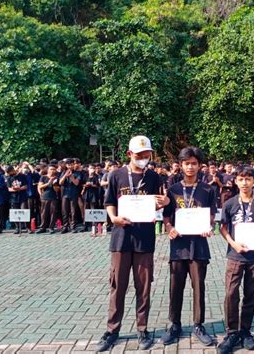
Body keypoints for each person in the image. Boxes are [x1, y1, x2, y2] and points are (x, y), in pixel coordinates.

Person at [97, 135, 169, 352]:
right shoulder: (116, 174)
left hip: (145, 239)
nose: (143, 159)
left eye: (146, 155)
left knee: (143, 287)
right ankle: (112, 330)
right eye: (139, 155)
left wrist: (163, 203)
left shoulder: (154, 177)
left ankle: (142, 328)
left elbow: (156, 204)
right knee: (118, 286)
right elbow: (109, 202)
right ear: (129, 154)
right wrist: (113, 218)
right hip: (121, 239)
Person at [160, 147, 216, 347]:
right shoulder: (173, 190)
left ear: (199, 165)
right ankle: (175, 325)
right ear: (181, 165)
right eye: (186, 163)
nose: (190, 167)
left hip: (199, 246)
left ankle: (198, 325)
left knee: (198, 286)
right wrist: (169, 228)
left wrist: (209, 226)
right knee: (176, 287)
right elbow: (166, 216)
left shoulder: (209, 189)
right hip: (178, 246)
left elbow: (211, 216)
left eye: (194, 163)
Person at [218, 165, 254, 354]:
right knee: (231, 293)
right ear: (236, 181)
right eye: (241, 179)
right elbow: (223, 228)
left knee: (251, 294)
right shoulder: (229, 204)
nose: (245, 183)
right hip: (235, 256)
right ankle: (232, 332)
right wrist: (233, 244)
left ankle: (245, 330)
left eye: (248, 179)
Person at [59, 158, 82, 234]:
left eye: (71, 164)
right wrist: (65, 175)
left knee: (73, 211)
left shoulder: (77, 173)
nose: (70, 166)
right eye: (68, 165)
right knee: (65, 211)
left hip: (74, 194)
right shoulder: (63, 172)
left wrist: (71, 176)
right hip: (65, 194)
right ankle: (65, 226)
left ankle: (73, 226)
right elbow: (60, 183)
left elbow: (76, 183)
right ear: (66, 165)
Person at [6, 166, 30, 234]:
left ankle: (27, 227)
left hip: (22, 197)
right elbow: (9, 189)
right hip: (13, 198)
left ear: (13, 170)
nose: (9, 174)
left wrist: (19, 188)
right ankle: (17, 228)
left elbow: (25, 186)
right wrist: (14, 189)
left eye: (10, 172)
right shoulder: (9, 178)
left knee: (24, 211)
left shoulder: (22, 176)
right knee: (15, 212)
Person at [37, 165, 60, 234]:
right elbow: (40, 186)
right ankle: (43, 227)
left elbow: (58, 189)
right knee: (44, 213)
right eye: (51, 169)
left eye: (54, 169)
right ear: (48, 170)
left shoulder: (56, 178)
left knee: (53, 213)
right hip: (45, 197)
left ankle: (51, 227)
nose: (53, 170)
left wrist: (53, 184)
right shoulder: (43, 177)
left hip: (53, 197)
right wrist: (48, 183)